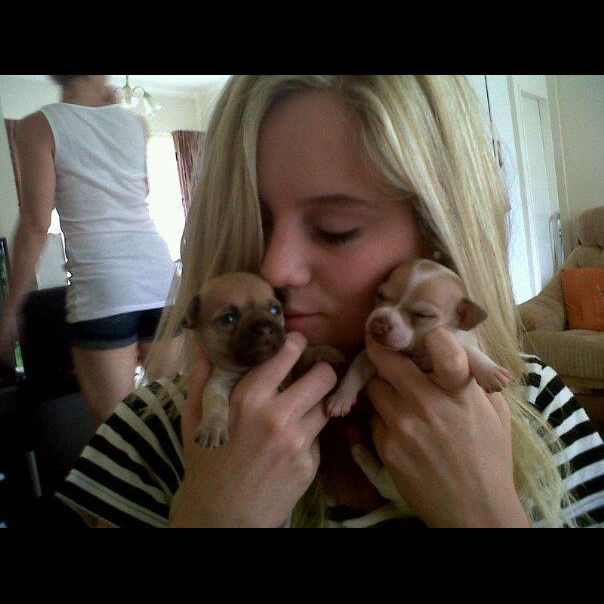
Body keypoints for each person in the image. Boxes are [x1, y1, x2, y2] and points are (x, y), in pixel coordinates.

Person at [54, 75, 604, 527]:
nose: (274, 270)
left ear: (435, 241)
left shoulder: (538, 406)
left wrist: (486, 515)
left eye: (335, 228)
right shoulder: (149, 437)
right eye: (255, 221)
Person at [0, 75, 182, 426]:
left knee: (118, 429)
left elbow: (36, 224)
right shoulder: (136, 124)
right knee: (174, 414)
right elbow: (140, 190)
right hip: (160, 276)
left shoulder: (38, 126)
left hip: (103, 285)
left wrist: (11, 306)